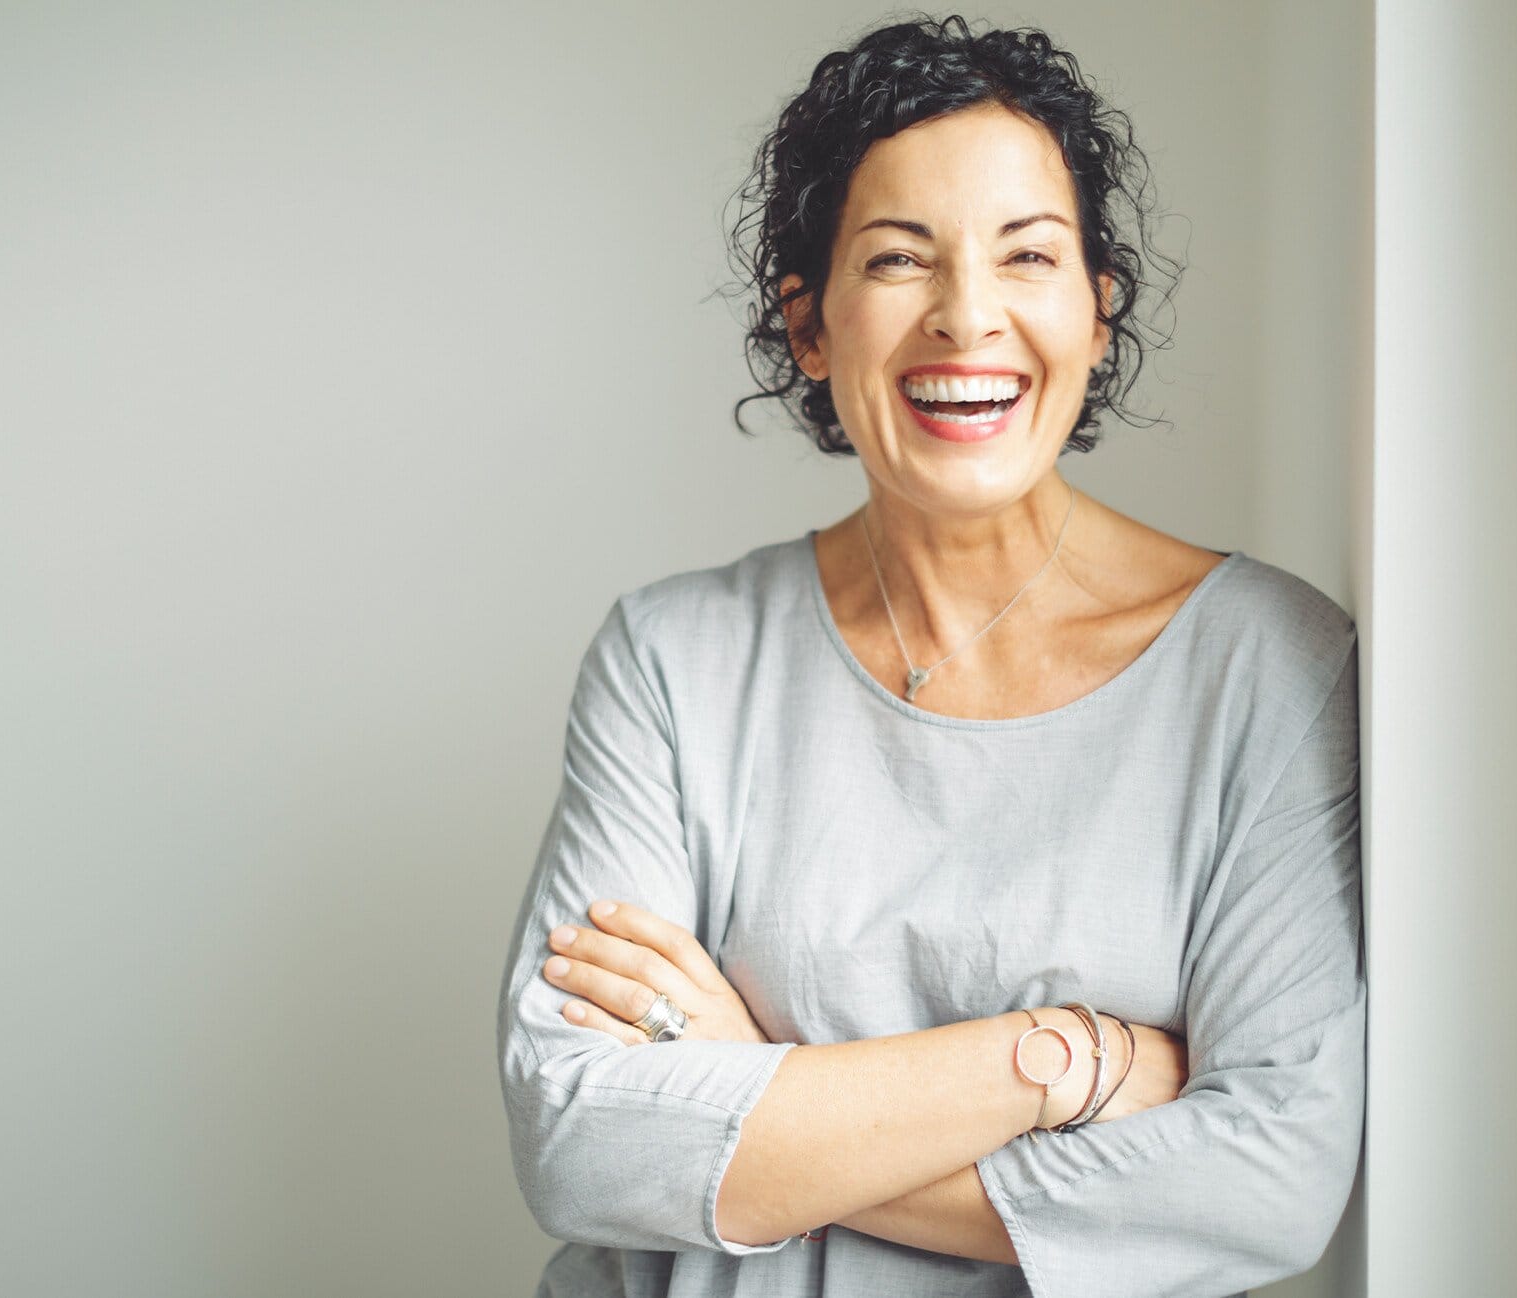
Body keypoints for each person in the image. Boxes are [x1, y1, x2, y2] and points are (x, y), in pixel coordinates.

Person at [496, 15, 1364, 1298]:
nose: (969, 317)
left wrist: (744, 1080)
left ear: (1095, 311)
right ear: (808, 324)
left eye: (1029, 255)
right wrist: (1062, 1058)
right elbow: (580, 1133)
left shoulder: (1268, 666)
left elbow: (1266, 1184)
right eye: (900, 260)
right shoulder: (673, 658)